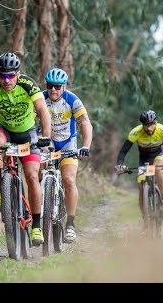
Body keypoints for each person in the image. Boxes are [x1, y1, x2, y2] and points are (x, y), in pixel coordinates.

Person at [0, 52, 51, 247]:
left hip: (27, 133)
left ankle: (36, 225)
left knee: (31, 176)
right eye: (2, 75)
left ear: (18, 74)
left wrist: (45, 136)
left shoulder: (28, 85)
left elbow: (42, 110)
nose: (6, 80)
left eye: (11, 75)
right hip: (3, 130)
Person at [42, 68, 93, 244]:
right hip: (47, 142)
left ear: (64, 86)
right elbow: (30, 121)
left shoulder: (72, 100)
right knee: (33, 174)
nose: (53, 90)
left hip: (67, 143)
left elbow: (85, 123)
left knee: (69, 180)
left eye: (57, 86)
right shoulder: (41, 99)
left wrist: (85, 146)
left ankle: (70, 223)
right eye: (50, 86)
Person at [114, 110, 163, 216]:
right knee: (141, 190)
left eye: (152, 124)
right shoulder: (135, 132)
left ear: (156, 122)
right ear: (142, 125)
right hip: (144, 160)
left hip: (159, 155)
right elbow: (123, 151)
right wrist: (119, 165)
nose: (149, 128)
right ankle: (145, 219)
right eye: (146, 125)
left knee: (157, 169)